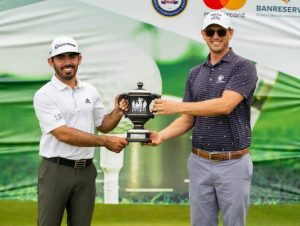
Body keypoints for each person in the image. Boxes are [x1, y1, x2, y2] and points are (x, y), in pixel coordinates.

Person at [148, 12, 258, 226]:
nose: (215, 36)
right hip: (199, 162)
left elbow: (224, 106)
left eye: (220, 31)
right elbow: (188, 119)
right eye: (210, 31)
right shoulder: (194, 73)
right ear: (203, 34)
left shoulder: (244, 67)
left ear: (230, 33)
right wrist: (161, 135)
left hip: (233, 162)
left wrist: (177, 106)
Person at [33, 36, 128, 226]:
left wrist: (117, 112)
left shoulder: (90, 91)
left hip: (86, 170)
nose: (67, 62)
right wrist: (104, 141)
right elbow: (63, 134)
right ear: (51, 62)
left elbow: (103, 124)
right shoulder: (44, 94)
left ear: (79, 59)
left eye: (72, 56)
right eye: (61, 58)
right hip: (56, 170)